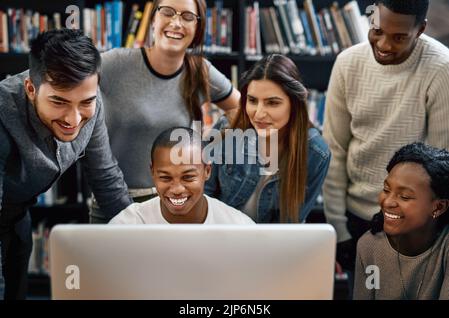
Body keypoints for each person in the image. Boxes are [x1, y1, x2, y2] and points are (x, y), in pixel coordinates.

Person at [0, 29, 132, 300]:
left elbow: (106, 180)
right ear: (30, 89)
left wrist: (142, 245)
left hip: (17, 215)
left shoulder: (91, 104)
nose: (73, 119)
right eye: (59, 102)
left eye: (85, 102)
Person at [322, 0, 449, 276]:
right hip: (356, 219)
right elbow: (334, 150)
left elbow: (442, 163)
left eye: (399, 37)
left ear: (421, 30)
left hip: (415, 225)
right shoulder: (347, 64)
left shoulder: (441, 68)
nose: (384, 44)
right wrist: (338, 228)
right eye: (377, 30)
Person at [96, 0, 240, 222]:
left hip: (171, 207)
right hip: (113, 203)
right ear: (153, 19)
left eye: (187, 17)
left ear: (198, 27)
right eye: (168, 12)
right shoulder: (115, 63)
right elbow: (63, 81)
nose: (176, 22)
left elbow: (241, 109)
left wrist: (205, 150)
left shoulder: (200, 71)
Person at [204, 54, 331, 223]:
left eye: (272, 103)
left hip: (273, 245)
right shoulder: (227, 129)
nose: (259, 114)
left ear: (294, 104)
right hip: (220, 237)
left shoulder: (316, 153)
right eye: (252, 101)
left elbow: (291, 225)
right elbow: (204, 197)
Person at [354, 143, 449, 300]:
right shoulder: (369, 246)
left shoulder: (445, 248)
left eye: (404, 196)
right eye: (386, 190)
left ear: (438, 207)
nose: (388, 202)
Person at [110, 127, 254, 224]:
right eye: (165, 178)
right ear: (152, 172)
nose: (177, 189)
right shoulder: (128, 224)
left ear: (207, 171)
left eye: (188, 177)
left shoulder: (238, 226)